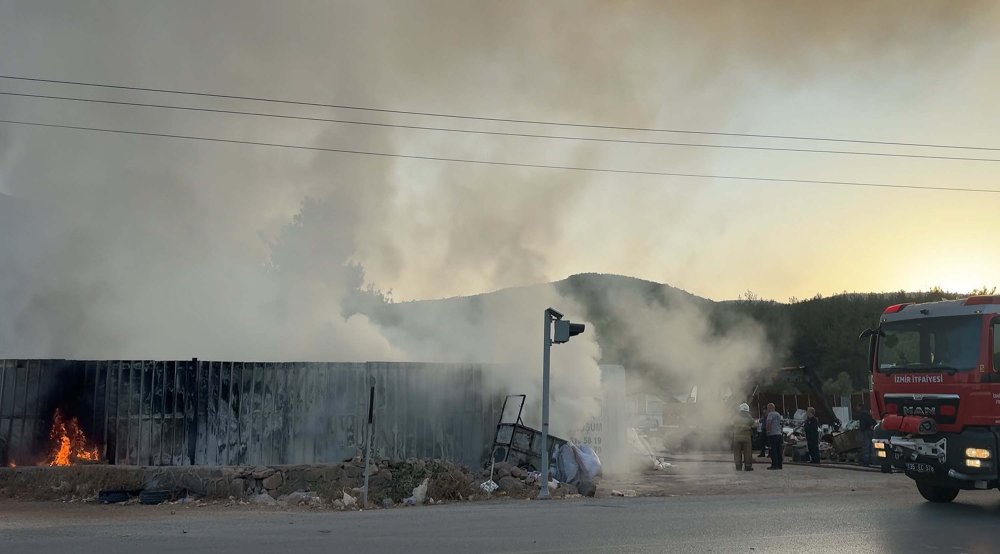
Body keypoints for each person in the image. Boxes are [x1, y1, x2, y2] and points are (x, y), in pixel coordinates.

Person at [732, 403, 755, 471]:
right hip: (746, 438)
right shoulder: (749, 417)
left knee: (737, 452)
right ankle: (748, 466)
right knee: (747, 452)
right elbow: (753, 424)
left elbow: (732, 423)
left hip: (736, 438)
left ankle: (738, 466)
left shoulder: (736, 417)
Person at [765, 403, 783, 469]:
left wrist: (767, 431)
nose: (767, 410)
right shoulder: (778, 414)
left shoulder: (770, 414)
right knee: (779, 450)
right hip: (779, 434)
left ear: (770, 408)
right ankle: (780, 465)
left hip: (772, 434)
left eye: (767, 408)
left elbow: (769, 423)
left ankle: (774, 465)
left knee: (773, 450)